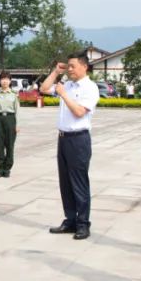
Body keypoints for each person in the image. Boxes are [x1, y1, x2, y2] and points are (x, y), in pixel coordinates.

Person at [41, 51, 100, 240]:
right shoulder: (66, 84)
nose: (70, 69)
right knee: (65, 182)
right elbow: (43, 88)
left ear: (85, 66)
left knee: (79, 182)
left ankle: (83, 223)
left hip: (79, 139)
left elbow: (79, 112)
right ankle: (70, 219)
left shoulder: (90, 88)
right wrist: (55, 73)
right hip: (63, 138)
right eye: (68, 66)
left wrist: (64, 94)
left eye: (73, 66)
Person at [0, 71, 20, 178]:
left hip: (11, 120)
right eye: (3, 79)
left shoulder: (14, 95)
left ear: (10, 81)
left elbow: (17, 111)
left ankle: (7, 169)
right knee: (0, 145)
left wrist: (17, 124)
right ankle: (0, 169)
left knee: (10, 145)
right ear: (0, 81)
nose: (5, 81)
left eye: (7, 79)